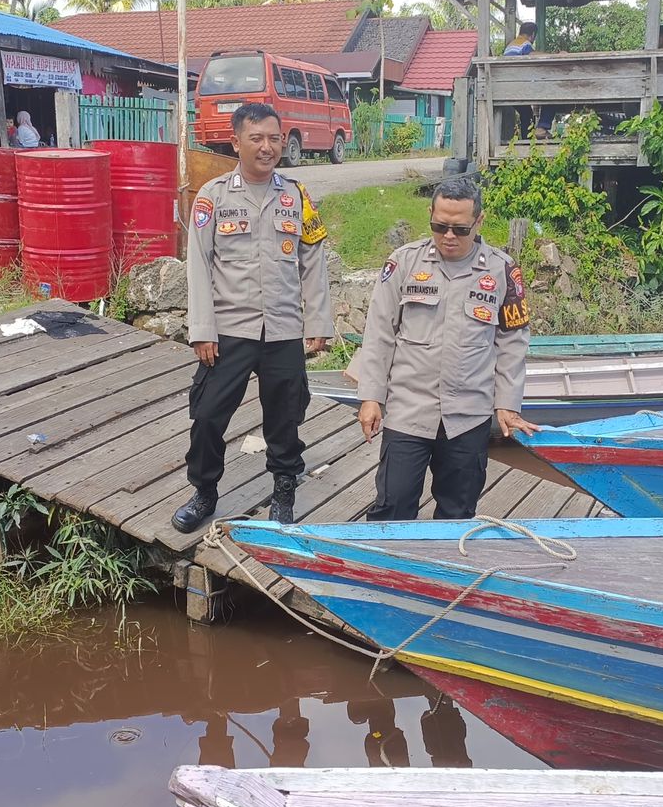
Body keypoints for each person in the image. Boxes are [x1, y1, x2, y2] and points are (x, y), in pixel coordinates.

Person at [173, 103, 333, 533]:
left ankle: (284, 491)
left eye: (274, 138)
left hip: (282, 329)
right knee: (208, 415)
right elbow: (199, 267)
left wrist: (318, 321)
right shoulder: (212, 197)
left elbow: (313, 261)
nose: (267, 147)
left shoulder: (296, 197)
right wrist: (202, 331)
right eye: (257, 138)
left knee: (285, 417)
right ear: (236, 140)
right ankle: (204, 491)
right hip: (229, 330)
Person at [354, 177, 536, 521]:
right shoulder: (403, 263)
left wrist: (507, 405)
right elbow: (379, 333)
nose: (448, 236)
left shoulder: (503, 271)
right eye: (439, 226)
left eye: (460, 229)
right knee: (392, 506)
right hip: (409, 410)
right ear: (430, 215)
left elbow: (512, 342)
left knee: (458, 512)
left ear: (479, 221)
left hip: (468, 415)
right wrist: (370, 397)